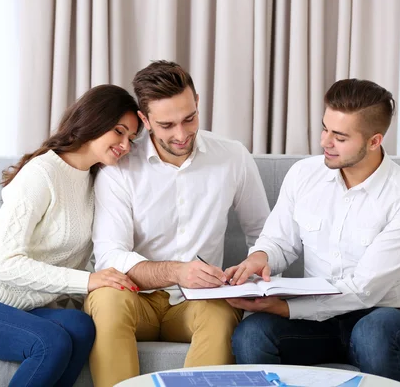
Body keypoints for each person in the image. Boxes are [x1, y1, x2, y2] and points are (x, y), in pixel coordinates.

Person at [227, 79, 400, 386]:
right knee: (251, 335)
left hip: (382, 314)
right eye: (325, 128)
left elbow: (365, 289)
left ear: (374, 141)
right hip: (316, 323)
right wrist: (260, 256)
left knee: (371, 335)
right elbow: (278, 241)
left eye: (339, 136)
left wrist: (286, 307)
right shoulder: (304, 175)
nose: (325, 142)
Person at [84, 60, 271, 387]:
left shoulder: (232, 157)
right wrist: (176, 271)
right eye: (167, 125)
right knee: (106, 298)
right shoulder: (118, 167)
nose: (181, 134)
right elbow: (110, 257)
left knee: (221, 314)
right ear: (144, 120)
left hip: (197, 303)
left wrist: (253, 267)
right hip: (133, 298)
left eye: (189, 118)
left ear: (197, 101)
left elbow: (264, 233)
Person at [0, 85, 142, 387]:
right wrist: (89, 281)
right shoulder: (41, 174)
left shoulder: (95, 182)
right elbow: (5, 265)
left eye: (131, 138)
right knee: (51, 342)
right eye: (119, 131)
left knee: (80, 326)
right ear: (94, 120)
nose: (126, 145)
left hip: (28, 308)